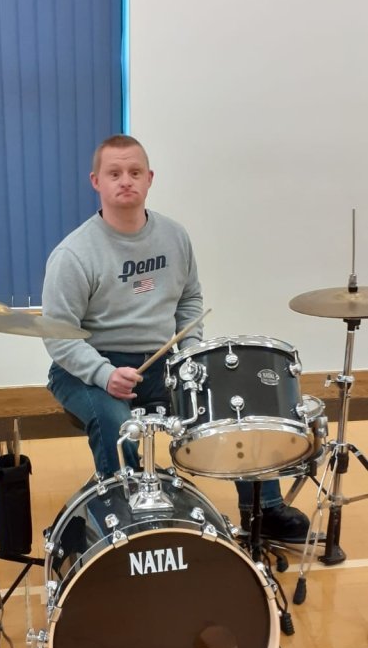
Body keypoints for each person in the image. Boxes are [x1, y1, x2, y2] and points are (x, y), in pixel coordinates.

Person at [42, 134, 310, 543]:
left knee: (236, 400)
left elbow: (190, 300)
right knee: (118, 424)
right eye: (114, 173)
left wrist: (189, 353)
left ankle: (265, 509)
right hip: (88, 367)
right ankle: (128, 520)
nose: (125, 180)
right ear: (96, 181)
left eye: (135, 172)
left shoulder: (174, 236)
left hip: (162, 362)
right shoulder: (73, 254)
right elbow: (59, 337)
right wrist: (104, 374)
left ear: (149, 179)